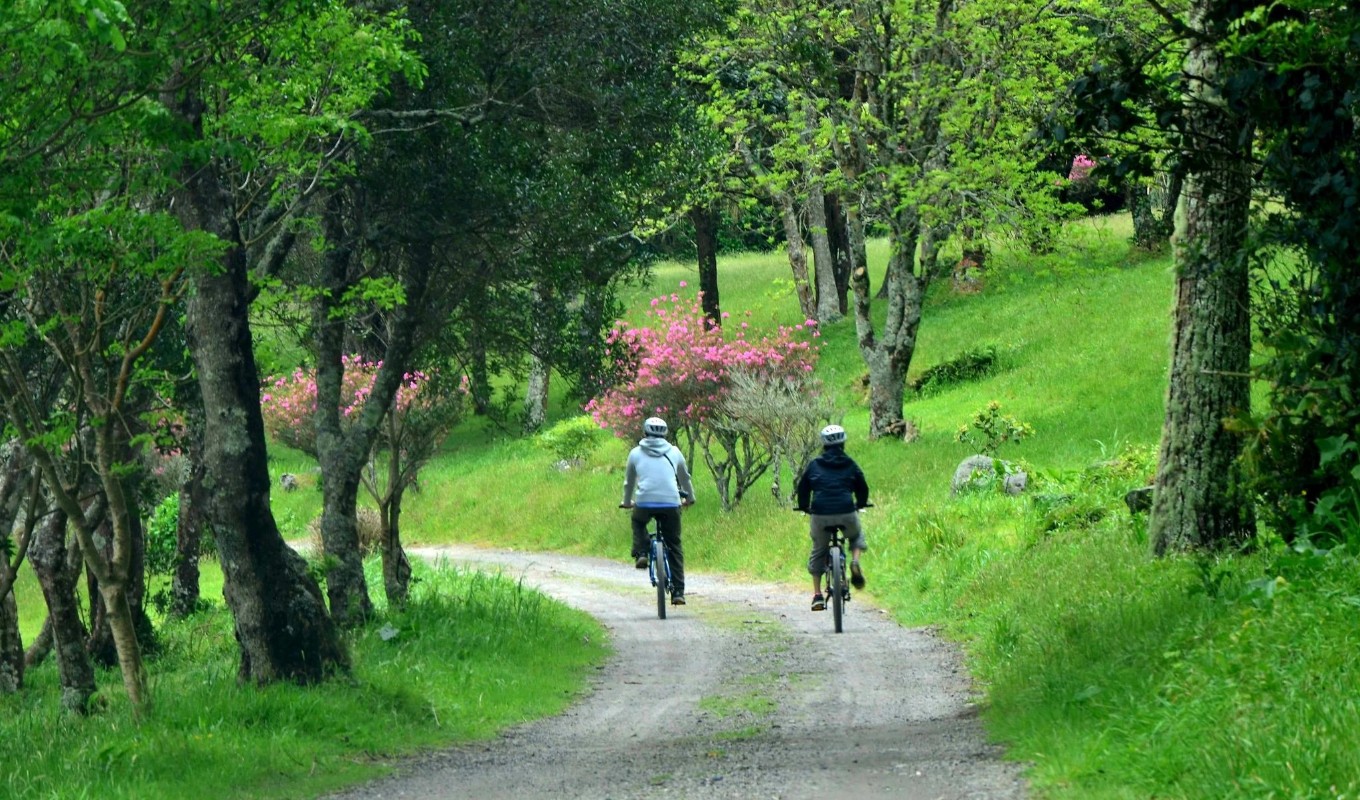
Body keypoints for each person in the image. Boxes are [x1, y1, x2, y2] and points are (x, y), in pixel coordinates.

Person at [621, 416, 695, 605]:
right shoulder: (675, 452)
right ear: (665, 434)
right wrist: (689, 498)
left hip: (644, 502)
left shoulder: (635, 453)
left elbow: (629, 482)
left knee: (638, 521)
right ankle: (678, 592)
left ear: (644, 432)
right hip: (671, 502)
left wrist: (627, 501)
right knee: (674, 545)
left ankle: (642, 553)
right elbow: (685, 478)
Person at [795, 424, 869, 611]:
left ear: (824, 445)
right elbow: (862, 487)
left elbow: (803, 488)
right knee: (855, 536)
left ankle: (818, 595)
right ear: (843, 443)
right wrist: (860, 504)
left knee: (819, 549)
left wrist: (804, 506)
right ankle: (854, 562)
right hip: (846, 511)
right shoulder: (850, 464)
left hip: (820, 513)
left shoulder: (814, 465)